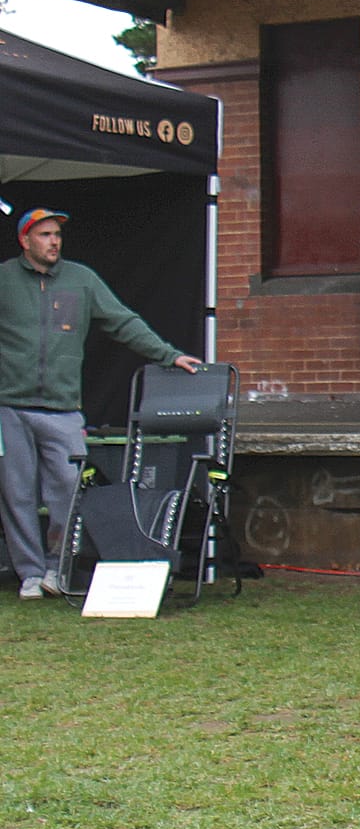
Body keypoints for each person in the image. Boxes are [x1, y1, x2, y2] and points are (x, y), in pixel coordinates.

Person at [0, 208, 199, 597]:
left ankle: (58, 569)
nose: (54, 241)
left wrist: (167, 355)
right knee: (15, 492)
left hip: (63, 408)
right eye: (44, 235)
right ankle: (28, 573)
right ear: (25, 241)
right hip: (8, 406)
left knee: (70, 490)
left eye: (57, 234)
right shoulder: (4, 279)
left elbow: (123, 322)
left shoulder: (82, 279)